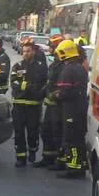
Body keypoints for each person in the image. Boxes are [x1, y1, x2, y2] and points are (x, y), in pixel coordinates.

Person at [54, 40, 89, 179]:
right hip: (80, 109)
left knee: (71, 139)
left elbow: (65, 91)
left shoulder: (68, 70)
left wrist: (56, 94)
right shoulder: (80, 68)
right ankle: (79, 165)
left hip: (71, 110)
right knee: (78, 138)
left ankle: (73, 168)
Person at [10, 39, 48, 167]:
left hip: (33, 105)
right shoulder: (18, 66)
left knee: (32, 132)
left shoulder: (41, 67)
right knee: (19, 132)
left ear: (33, 52)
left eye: (28, 51)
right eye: (24, 51)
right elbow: (14, 82)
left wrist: (33, 89)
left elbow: (43, 85)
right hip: (19, 105)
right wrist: (27, 86)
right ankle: (21, 157)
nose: (25, 53)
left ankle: (32, 151)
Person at [34, 34, 65, 168]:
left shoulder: (63, 66)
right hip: (50, 105)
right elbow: (49, 82)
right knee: (46, 131)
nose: (50, 48)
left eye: (52, 46)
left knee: (57, 133)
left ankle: (60, 160)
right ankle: (47, 157)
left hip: (58, 106)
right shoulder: (56, 63)